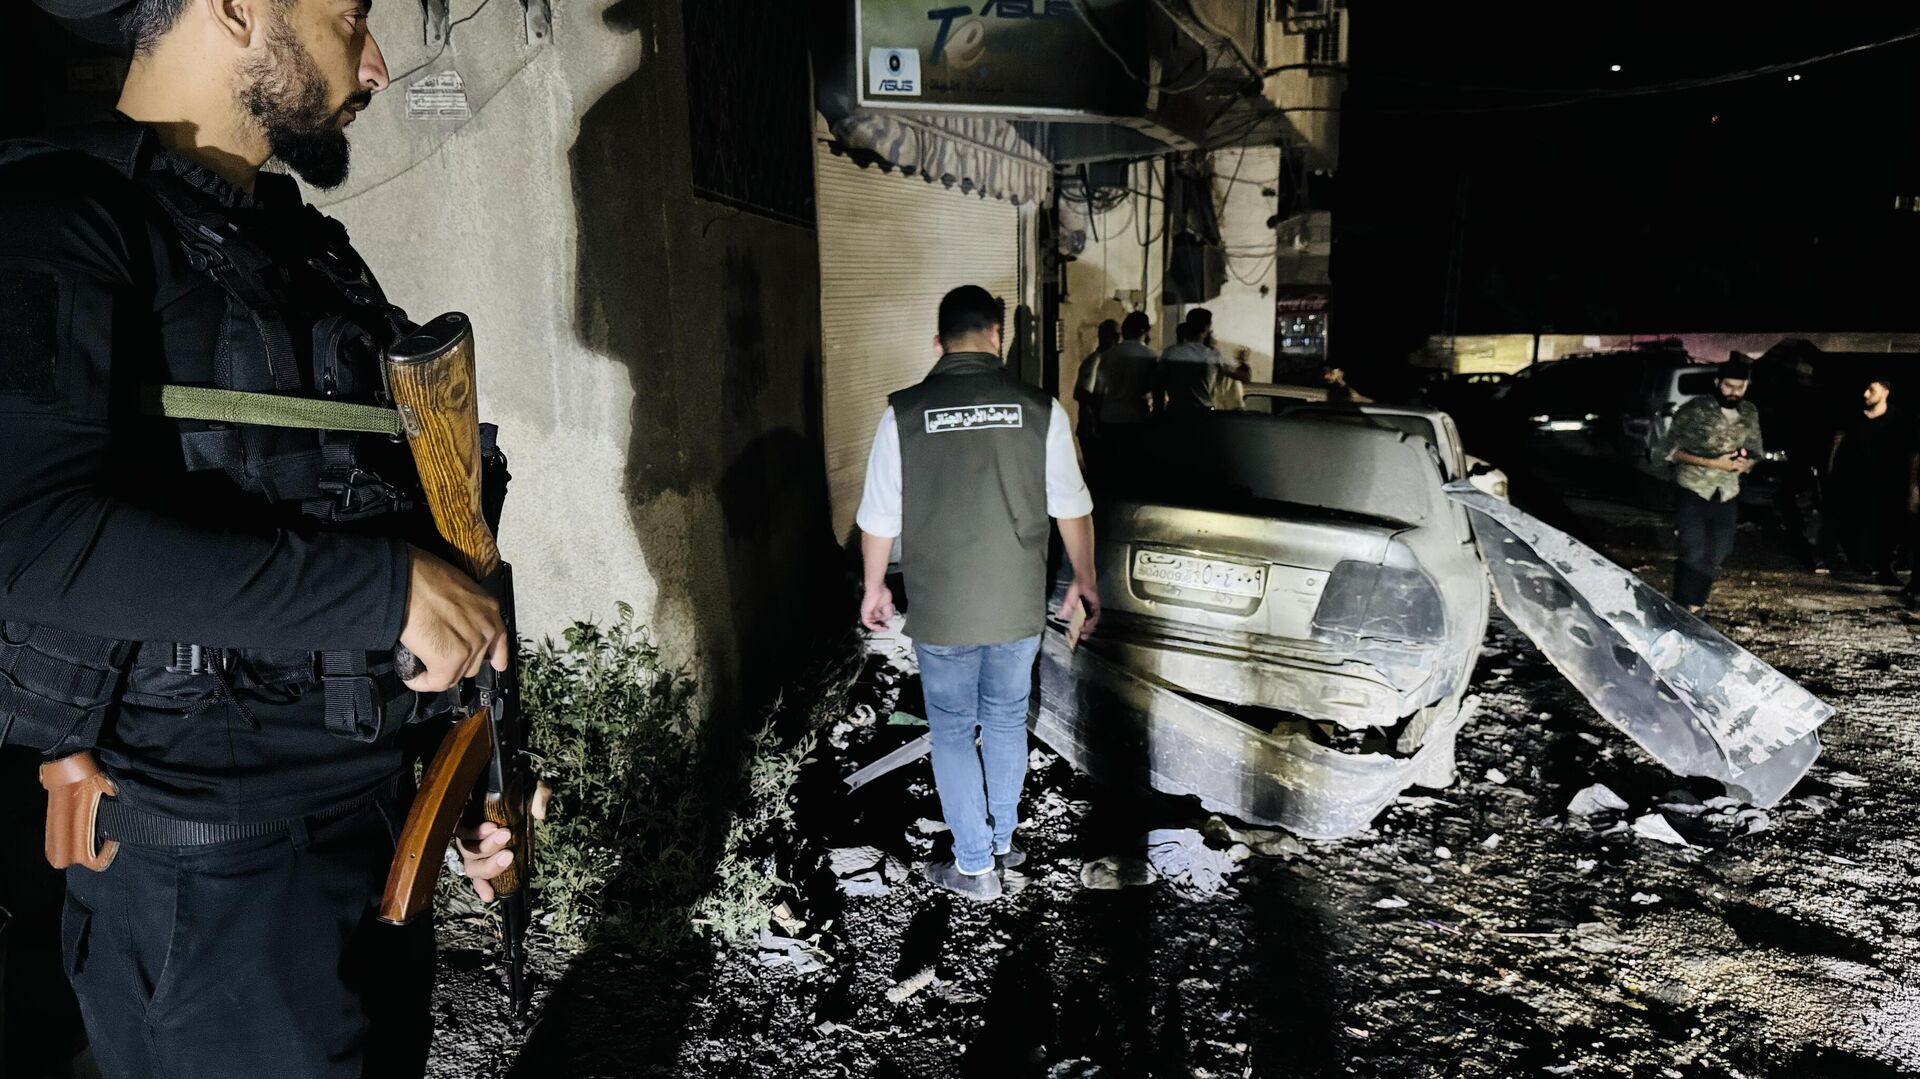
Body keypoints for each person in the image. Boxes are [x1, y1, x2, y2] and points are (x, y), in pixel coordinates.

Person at [2, 2, 529, 1075]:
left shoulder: (306, 249)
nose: (376, 66)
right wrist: (387, 592)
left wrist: (472, 756)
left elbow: (402, 512)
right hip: (212, 904)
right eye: (350, 17)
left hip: (375, 851)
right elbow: (33, 538)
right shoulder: (57, 217)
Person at [856, 285, 1100, 902]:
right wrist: (1085, 579)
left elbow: (879, 516)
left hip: (943, 608)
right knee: (1006, 718)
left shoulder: (904, 413)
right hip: (1015, 604)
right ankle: (1002, 842)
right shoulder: (1041, 409)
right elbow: (1072, 506)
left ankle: (973, 866)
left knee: (953, 730)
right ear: (997, 336)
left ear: (938, 343)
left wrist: (874, 586)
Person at [1656, 357, 1764, 614]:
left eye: (1740, 387)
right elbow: (1667, 451)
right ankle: (1687, 610)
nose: (1734, 392)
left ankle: (1693, 606)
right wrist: (1712, 463)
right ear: (1717, 383)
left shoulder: (1749, 412)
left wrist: (1747, 464)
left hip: (1727, 492)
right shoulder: (1694, 410)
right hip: (1694, 488)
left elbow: (1756, 450)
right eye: (1728, 386)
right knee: (1693, 552)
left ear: (1747, 386)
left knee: (1718, 552)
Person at [1822, 376, 1915, 587]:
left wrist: (1909, 484)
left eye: (1872, 389)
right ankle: (1858, 561)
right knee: (1852, 522)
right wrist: (1831, 472)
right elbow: (1837, 444)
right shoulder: (1854, 417)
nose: (1865, 394)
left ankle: (1885, 567)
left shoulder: (1899, 419)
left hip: (1886, 483)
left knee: (1888, 525)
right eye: (1866, 389)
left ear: (1885, 391)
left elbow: (1909, 453)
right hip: (1854, 482)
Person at [1156, 307, 1249, 413]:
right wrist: (1243, 361)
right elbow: (1244, 377)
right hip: (1203, 414)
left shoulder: (1170, 353)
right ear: (1207, 328)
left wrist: (1158, 413)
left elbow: (1158, 385)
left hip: (1175, 413)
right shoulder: (1212, 356)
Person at [1072, 318, 1119, 447]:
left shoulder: (1108, 360)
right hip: (1093, 429)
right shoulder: (1095, 362)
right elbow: (1084, 394)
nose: (1118, 339)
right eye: (1115, 335)